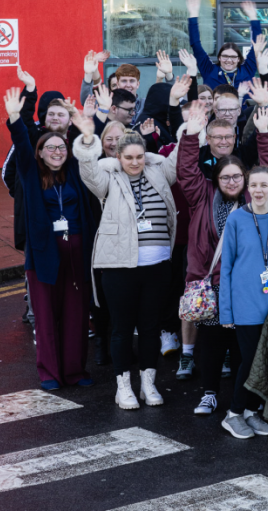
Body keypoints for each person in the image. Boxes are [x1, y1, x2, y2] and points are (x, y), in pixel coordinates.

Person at [72, 104, 179, 408]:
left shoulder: (159, 173)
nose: (135, 162)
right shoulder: (109, 179)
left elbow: (179, 160)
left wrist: (187, 132)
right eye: (128, 157)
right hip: (120, 268)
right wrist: (89, 140)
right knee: (121, 329)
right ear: (118, 157)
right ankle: (123, 387)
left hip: (158, 267)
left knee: (149, 327)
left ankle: (148, 383)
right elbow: (89, 173)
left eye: (140, 156)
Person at [177, 107, 268, 416]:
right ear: (216, 178)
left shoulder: (255, 198)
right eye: (226, 177)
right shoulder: (202, 195)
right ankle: (209, 394)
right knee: (212, 342)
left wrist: (264, 134)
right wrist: (191, 136)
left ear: (245, 178)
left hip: (246, 285)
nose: (232, 181)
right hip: (213, 284)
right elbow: (186, 171)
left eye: (237, 176)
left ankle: (241, 399)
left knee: (241, 344)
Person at [4, 87, 95, 391]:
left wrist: (86, 124)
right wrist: (16, 118)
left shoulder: (74, 171)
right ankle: (49, 373)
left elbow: (85, 144)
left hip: (77, 251)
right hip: (44, 253)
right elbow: (21, 142)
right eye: (50, 148)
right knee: (45, 316)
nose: (57, 152)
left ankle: (74, 371)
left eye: (61, 148)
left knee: (76, 315)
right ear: (40, 152)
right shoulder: (31, 175)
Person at [218, 165, 268, 438]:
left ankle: (251, 412)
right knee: (251, 361)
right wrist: (226, 312)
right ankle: (234, 414)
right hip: (245, 304)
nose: (258, 190)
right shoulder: (236, 219)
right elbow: (226, 267)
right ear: (247, 188)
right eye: (253, 185)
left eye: (264, 185)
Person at [186, 0, 263, 88]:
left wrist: (253, 17)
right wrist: (193, 15)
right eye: (225, 56)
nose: (229, 60)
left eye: (233, 57)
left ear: (239, 59)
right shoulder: (209, 70)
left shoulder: (247, 70)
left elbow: (256, 44)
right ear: (219, 57)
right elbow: (196, 45)